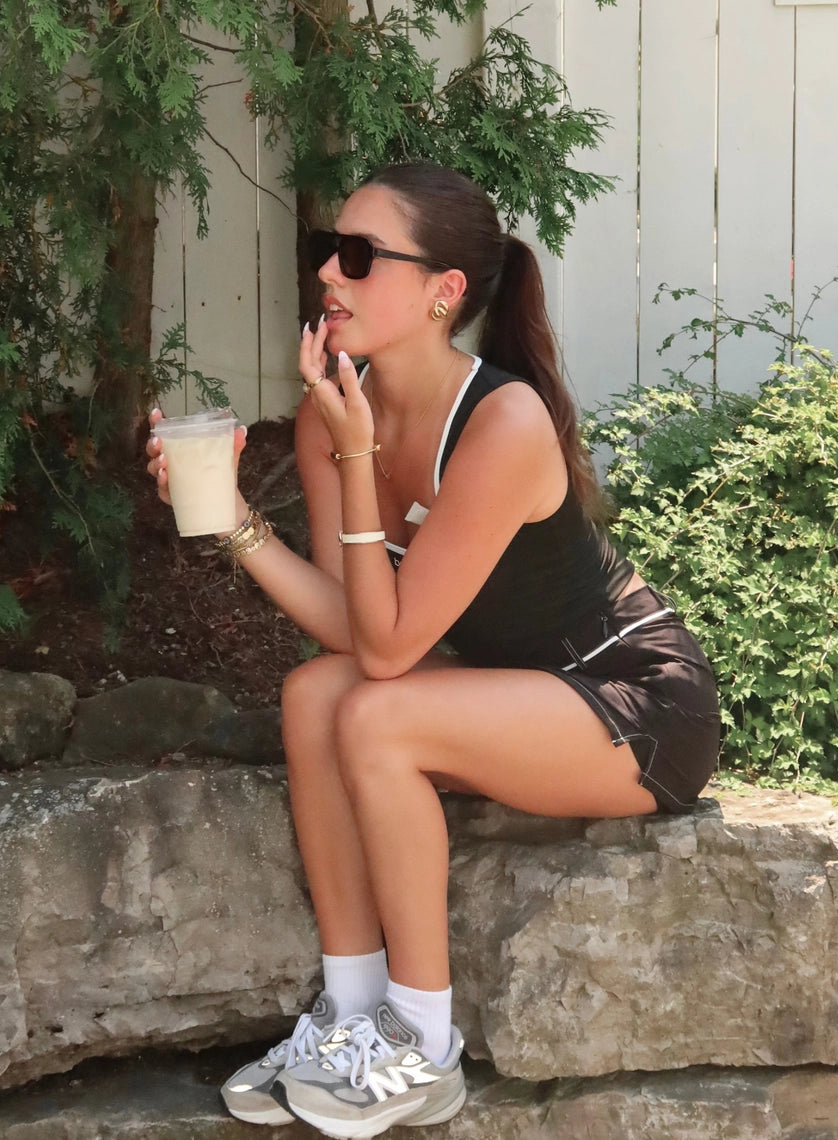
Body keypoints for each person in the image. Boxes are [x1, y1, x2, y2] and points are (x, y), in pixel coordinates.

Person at [147, 161, 720, 1139]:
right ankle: (351, 1014)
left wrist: (358, 453)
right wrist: (234, 518)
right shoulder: (339, 414)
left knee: (372, 710)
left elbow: (395, 649)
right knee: (311, 693)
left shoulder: (502, 422)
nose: (331, 272)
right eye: (331, 251)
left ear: (441, 293)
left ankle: (421, 1047)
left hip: (634, 700)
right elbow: (350, 622)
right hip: (518, 689)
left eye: (360, 257)